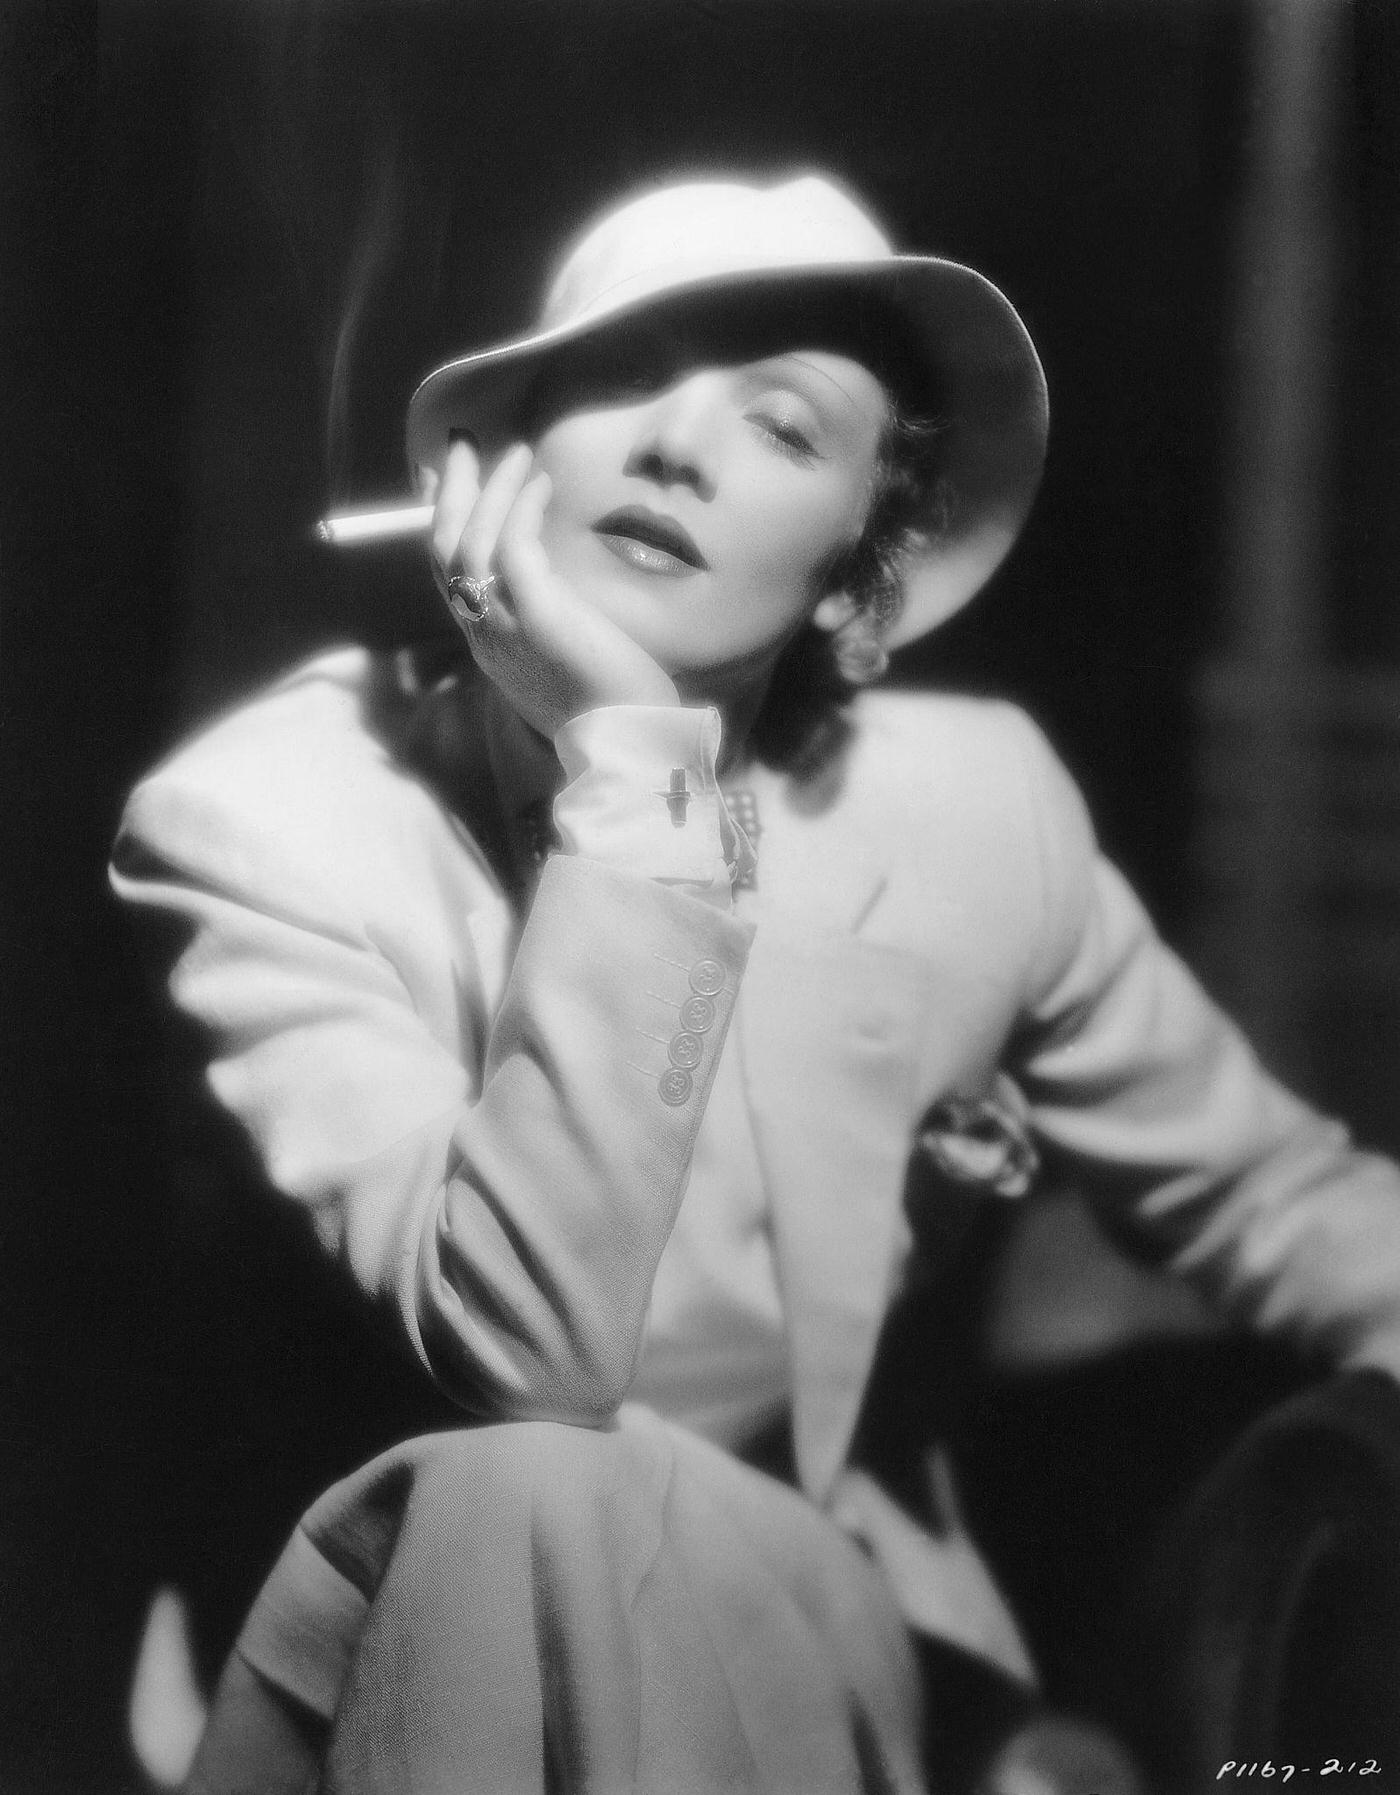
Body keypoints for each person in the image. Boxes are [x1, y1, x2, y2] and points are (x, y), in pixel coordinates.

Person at [111, 171, 1400, 1795]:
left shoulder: (974, 810)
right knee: (524, 1492)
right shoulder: (269, 815)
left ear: (860, 576)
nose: (674, 445)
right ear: (498, 457)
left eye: (784, 428)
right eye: (619, 375)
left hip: (805, 1635)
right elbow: (534, 1368)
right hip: (397, 1653)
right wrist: (627, 768)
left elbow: (1270, 1196)